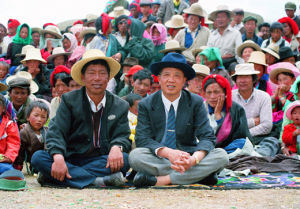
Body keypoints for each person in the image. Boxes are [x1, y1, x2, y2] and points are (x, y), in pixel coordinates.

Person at [31, 49, 131, 189]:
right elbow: (56, 131)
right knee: (38, 158)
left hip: (100, 159)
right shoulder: (69, 100)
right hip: (70, 157)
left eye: (102, 73)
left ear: (108, 78)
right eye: (91, 73)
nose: (97, 78)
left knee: (125, 160)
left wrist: (117, 147)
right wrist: (58, 156)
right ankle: (97, 181)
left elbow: (123, 136)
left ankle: (54, 178)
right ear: (83, 77)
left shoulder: (120, 105)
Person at [129, 53, 229, 187]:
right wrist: (169, 153)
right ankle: (199, 176)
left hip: (188, 156)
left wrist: (193, 160)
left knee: (221, 156)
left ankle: (161, 180)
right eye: (166, 75)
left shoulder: (195, 102)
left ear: (184, 81)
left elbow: (207, 137)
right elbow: (142, 138)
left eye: (177, 75)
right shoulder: (146, 104)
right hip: (160, 157)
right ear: (158, 79)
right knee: (135, 156)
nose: (171, 80)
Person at [232, 63, 279, 156]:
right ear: (236, 80)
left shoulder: (264, 97)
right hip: (235, 139)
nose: (243, 80)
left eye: (246, 77)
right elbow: (230, 125)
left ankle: (258, 159)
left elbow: (267, 126)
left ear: (253, 79)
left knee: (272, 142)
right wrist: (253, 121)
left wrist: (245, 132)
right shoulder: (229, 97)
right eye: (240, 77)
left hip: (259, 137)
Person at [203, 74, 251, 153]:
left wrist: (218, 115)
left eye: (216, 92)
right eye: (209, 92)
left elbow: (241, 135)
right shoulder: (201, 108)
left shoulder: (236, 109)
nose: (212, 96)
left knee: (242, 143)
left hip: (229, 147)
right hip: (207, 146)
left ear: (224, 93)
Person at [13, 101, 49, 172]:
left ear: (47, 119)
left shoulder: (47, 131)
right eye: (36, 115)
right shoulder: (24, 132)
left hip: (44, 159)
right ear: (28, 117)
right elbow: (20, 150)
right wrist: (18, 164)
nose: (39, 120)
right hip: (31, 158)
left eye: (43, 117)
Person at [0, 94, 20, 174]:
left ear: (3, 109)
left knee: (8, 170)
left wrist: (8, 157)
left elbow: (14, 143)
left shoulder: (9, 124)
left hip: (2, 161)